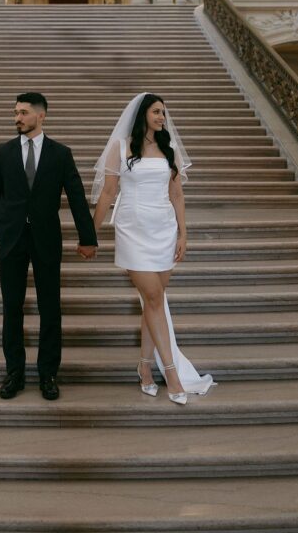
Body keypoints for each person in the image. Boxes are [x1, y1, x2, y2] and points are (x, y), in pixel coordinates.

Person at [91, 93, 215, 404]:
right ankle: (171, 375)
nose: (162, 117)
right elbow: (107, 193)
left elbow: (178, 195)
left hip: (163, 230)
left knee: (152, 302)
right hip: (132, 229)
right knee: (155, 298)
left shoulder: (168, 148)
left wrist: (183, 234)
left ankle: (145, 368)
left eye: (164, 112)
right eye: (157, 112)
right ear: (143, 114)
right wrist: (90, 233)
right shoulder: (120, 148)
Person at [0, 92, 97, 401]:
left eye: (22, 113)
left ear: (40, 116)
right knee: (12, 306)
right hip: (11, 240)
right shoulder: (3, 152)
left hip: (47, 239)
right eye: (15, 113)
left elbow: (75, 196)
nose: (17, 118)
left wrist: (87, 238)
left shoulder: (60, 154)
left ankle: (48, 373)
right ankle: (15, 373)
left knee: (50, 308)